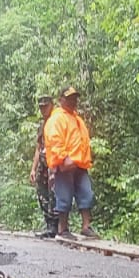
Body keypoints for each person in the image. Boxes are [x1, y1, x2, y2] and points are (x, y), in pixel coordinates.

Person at [43, 86, 95, 239]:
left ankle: (86, 226)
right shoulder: (57, 118)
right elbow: (54, 140)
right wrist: (62, 159)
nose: (73, 101)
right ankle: (63, 228)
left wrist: (83, 159)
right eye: (69, 98)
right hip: (65, 163)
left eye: (74, 98)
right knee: (64, 196)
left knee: (86, 193)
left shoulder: (77, 119)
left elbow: (83, 141)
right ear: (61, 100)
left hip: (79, 163)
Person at [29, 96, 58, 238]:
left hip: (54, 162)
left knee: (54, 193)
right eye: (41, 107)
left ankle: (57, 225)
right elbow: (38, 147)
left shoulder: (57, 121)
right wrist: (33, 169)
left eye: (45, 106)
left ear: (52, 105)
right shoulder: (42, 125)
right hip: (43, 162)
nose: (43, 109)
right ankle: (49, 224)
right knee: (41, 192)